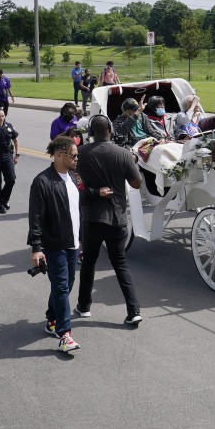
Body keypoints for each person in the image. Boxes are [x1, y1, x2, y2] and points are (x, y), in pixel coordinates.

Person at [75, 116, 144, 325]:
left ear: (91, 132)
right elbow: (136, 183)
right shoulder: (123, 154)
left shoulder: (82, 153)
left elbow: (76, 183)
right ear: (110, 130)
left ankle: (84, 306)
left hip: (92, 218)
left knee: (88, 263)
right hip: (117, 218)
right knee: (121, 264)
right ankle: (134, 311)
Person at [28, 135, 83, 353]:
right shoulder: (42, 181)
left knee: (67, 284)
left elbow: (78, 208)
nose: (77, 158)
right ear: (60, 155)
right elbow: (36, 218)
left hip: (72, 242)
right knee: (61, 286)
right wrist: (36, 248)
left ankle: (51, 318)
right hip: (54, 244)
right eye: (74, 155)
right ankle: (65, 334)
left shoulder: (75, 177)